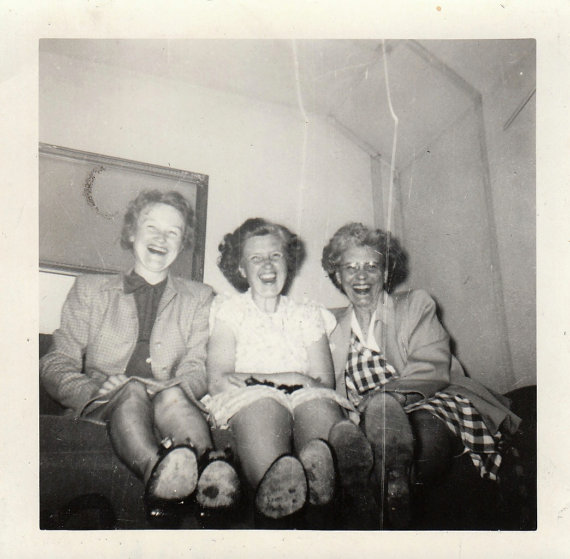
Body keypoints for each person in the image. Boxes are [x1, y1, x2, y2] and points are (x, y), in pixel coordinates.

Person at [40, 190, 239, 526]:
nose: (161, 238)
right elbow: (56, 363)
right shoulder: (89, 289)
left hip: (169, 402)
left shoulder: (200, 297)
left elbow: (196, 366)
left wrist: (161, 386)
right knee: (130, 391)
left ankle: (210, 475)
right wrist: (96, 391)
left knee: (172, 392)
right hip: (105, 404)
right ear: (132, 232)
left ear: (181, 242)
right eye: (151, 227)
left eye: (172, 232)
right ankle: (159, 479)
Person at [321, 223, 521, 528]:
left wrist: (387, 398)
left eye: (371, 266)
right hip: (362, 417)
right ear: (338, 276)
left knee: (410, 425)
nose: (361, 276)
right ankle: (379, 496)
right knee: (354, 440)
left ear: (386, 274)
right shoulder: (329, 324)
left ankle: (393, 486)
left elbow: (431, 366)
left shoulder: (414, 304)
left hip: (425, 398)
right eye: (351, 267)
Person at [206, 218, 371, 523]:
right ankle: (280, 509)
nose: (267, 265)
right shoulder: (229, 311)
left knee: (319, 405)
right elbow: (219, 381)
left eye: (276, 255)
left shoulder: (309, 314)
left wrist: (254, 378)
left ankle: (326, 502)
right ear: (241, 269)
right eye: (256, 258)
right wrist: (294, 379)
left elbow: (323, 382)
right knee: (264, 403)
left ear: (287, 263)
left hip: (306, 399)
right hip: (251, 401)